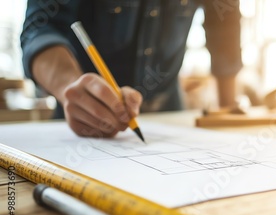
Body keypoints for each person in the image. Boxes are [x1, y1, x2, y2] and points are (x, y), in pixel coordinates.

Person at [21, 0, 242, 138]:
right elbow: (40, 29)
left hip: (169, 110)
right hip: (84, 116)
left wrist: (229, 108)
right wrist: (69, 85)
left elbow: (224, 23)